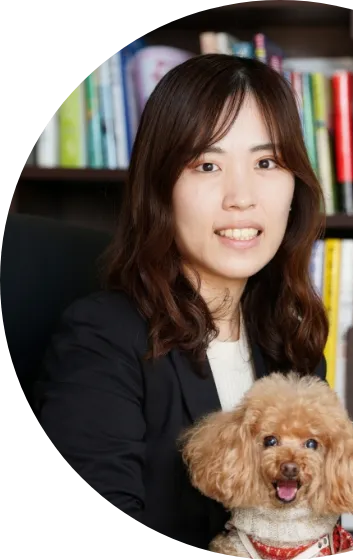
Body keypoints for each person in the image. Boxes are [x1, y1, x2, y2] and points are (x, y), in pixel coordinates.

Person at [35, 54, 330, 553]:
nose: (241, 197)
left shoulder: (291, 345)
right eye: (207, 165)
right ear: (161, 187)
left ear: (294, 187)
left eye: (266, 163)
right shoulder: (102, 338)